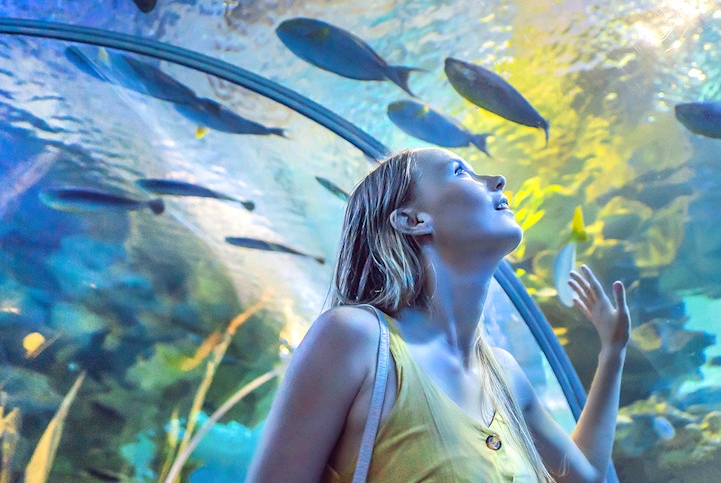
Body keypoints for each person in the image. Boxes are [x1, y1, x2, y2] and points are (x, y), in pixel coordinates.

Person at [246, 147, 630, 482]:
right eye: (461, 171)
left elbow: (585, 476)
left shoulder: (505, 377)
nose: (497, 179)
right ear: (413, 220)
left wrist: (612, 353)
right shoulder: (356, 339)